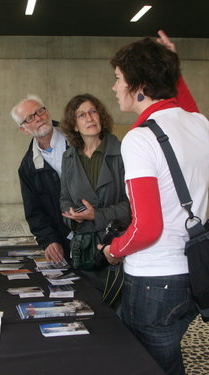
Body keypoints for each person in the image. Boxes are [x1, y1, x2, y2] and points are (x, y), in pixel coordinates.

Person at [101, 31, 209, 375]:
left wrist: (114, 249)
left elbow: (148, 228)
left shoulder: (138, 139)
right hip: (193, 273)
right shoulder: (199, 124)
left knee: (153, 366)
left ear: (139, 85)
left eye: (118, 78)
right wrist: (172, 67)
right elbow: (182, 105)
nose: (114, 87)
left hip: (153, 279)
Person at [59, 93, 130, 296]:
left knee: (117, 313)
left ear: (101, 117)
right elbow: (64, 198)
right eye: (81, 115)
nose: (89, 118)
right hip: (84, 250)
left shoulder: (122, 152)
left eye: (93, 111)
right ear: (74, 125)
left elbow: (134, 205)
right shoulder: (69, 157)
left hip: (116, 247)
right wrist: (72, 216)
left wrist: (95, 216)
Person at [11, 95, 71, 263]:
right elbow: (34, 211)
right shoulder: (27, 168)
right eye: (30, 118)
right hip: (66, 243)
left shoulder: (80, 140)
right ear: (23, 129)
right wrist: (49, 240)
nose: (38, 118)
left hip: (100, 237)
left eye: (40, 111)